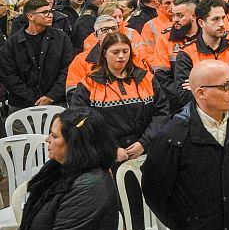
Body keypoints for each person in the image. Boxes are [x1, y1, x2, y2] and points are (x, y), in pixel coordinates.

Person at [143, 60, 229, 230]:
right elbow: (155, 191)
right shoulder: (172, 135)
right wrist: (184, 224)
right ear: (200, 92)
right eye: (225, 86)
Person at [11, 107, 120, 230]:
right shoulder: (56, 169)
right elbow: (25, 227)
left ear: (75, 143)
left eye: (54, 136)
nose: (47, 139)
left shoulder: (90, 188)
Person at [66, 32, 169, 161]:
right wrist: (110, 148)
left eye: (125, 51)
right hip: (106, 155)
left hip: (145, 150)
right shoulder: (88, 83)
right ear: (104, 53)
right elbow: (81, 122)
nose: (121, 56)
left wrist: (144, 143)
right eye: (115, 52)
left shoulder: (146, 78)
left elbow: (162, 112)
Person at [172, 0, 229, 109]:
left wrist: (204, 90)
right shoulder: (186, 54)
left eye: (223, 18)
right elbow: (184, 96)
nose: (222, 24)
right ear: (201, 22)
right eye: (215, 19)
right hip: (200, 117)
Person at [0, 0, 75, 112]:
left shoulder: (62, 38)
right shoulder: (12, 43)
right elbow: (9, 75)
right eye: (45, 12)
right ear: (30, 16)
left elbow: (68, 69)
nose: (50, 15)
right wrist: (35, 99)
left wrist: (51, 96)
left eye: (50, 11)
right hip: (21, 106)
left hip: (56, 103)